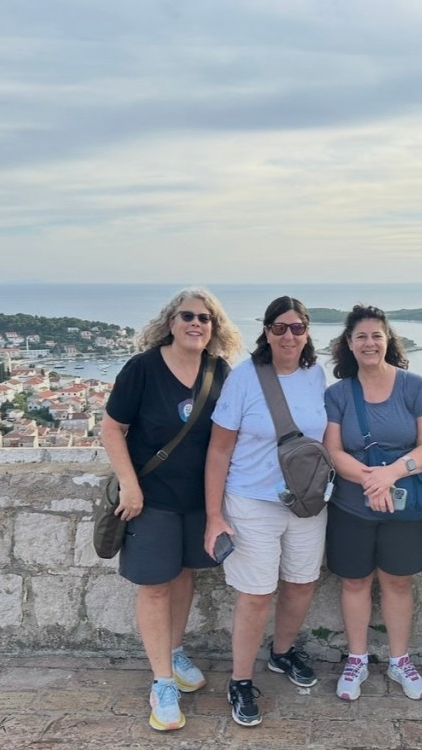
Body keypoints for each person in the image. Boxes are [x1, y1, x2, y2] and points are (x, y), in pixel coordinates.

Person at [100, 287, 243, 732]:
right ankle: (162, 682)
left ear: (214, 328)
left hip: (198, 500)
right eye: (188, 316)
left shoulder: (219, 371)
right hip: (152, 498)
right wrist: (129, 485)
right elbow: (112, 428)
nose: (196, 323)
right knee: (155, 587)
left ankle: (175, 651)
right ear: (171, 322)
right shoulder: (143, 368)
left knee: (183, 576)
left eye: (205, 318)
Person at [204, 296, 328, 728]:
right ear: (267, 332)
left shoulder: (316, 374)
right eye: (280, 328)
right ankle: (240, 680)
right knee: (256, 595)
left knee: (301, 583)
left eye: (297, 328)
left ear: (307, 332)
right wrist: (214, 516)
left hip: (306, 500)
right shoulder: (244, 379)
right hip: (252, 501)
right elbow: (218, 451)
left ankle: (282, 652)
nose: (289, 336)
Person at [323, 305, 422, 702]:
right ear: (349, 344)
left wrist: (390, 474)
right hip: (351, 505)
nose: (369, 343)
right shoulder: (338, 394)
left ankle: (399, 659)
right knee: (355, 581)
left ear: (388, 340)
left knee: (397, 582)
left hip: (405, 504)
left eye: (376, 335)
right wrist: (372, 481)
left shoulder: (414, 387)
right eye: (361, 336)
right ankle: (356, 659)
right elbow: (333, 451)